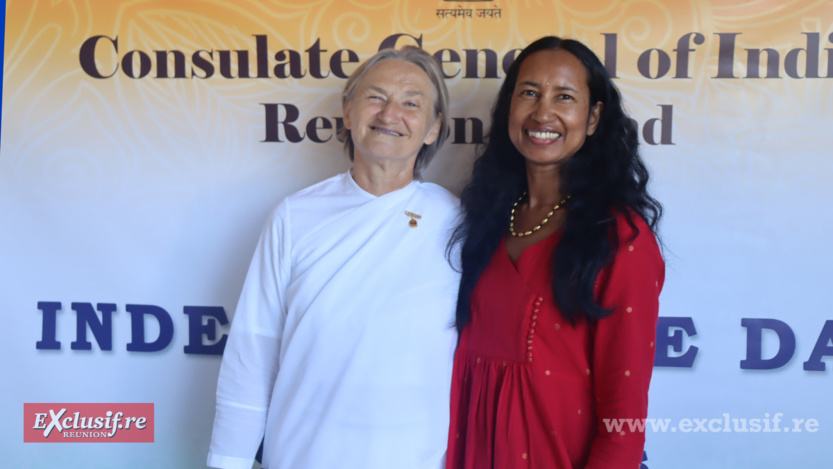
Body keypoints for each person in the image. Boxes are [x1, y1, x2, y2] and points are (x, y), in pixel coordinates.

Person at [207, 46, 459, 469]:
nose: (389, 113)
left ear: (433, 128)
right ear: (348, 111)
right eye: (375, 97)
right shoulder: (294, 216)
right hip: (302, 456)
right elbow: (252, 356)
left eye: (411, 103)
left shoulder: (457, 224)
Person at [446, 36, 664, 469]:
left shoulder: (620, 238)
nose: (543, 113)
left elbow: (625, 417)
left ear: (594, 116)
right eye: (529, 93)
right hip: (469, 451)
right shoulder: (480, 220)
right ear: (509, 107)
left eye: (564, 97)